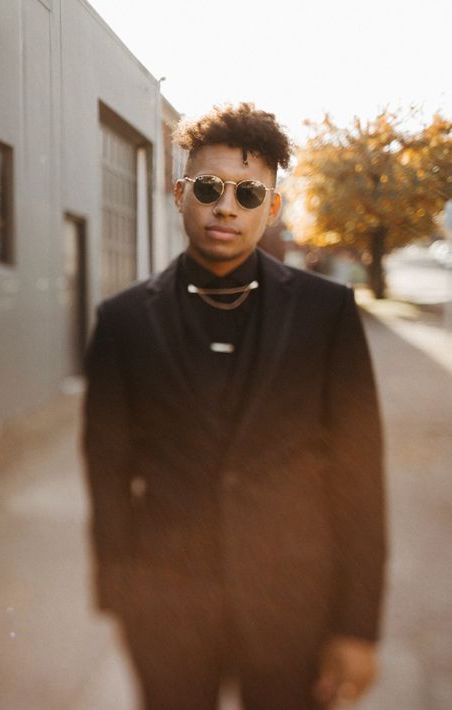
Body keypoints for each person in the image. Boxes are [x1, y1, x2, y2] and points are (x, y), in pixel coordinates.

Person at [83, 103, 387, 710]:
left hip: (295, 606)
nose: (226, 206)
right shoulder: (121, 322)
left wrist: (357, 626)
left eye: (249, 194)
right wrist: (122, 591)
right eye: (208, 188)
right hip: (167, 613)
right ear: (179, 194)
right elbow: (106, 468)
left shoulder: (327, 314)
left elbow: (359, 477)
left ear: (271, 208)